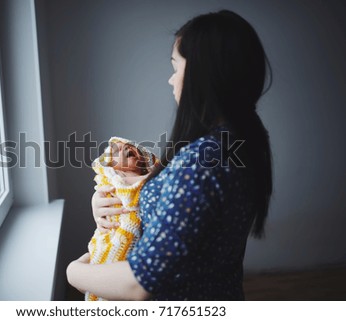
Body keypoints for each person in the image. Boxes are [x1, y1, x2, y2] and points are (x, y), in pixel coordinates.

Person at [67, 9, 273, 300]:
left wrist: (74, 272)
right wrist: (113, 202)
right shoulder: (238, 140)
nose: (171, 80)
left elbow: (139, 283)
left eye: (176, 67)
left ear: (203, 73)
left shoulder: (200, 162)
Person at [86, 137, 157, 301]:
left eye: (131, 148)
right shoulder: (118, 182)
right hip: (116, 234)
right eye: (116, 152)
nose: (124, 149)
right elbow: (125, 185)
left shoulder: (148, 178)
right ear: (112, 168)